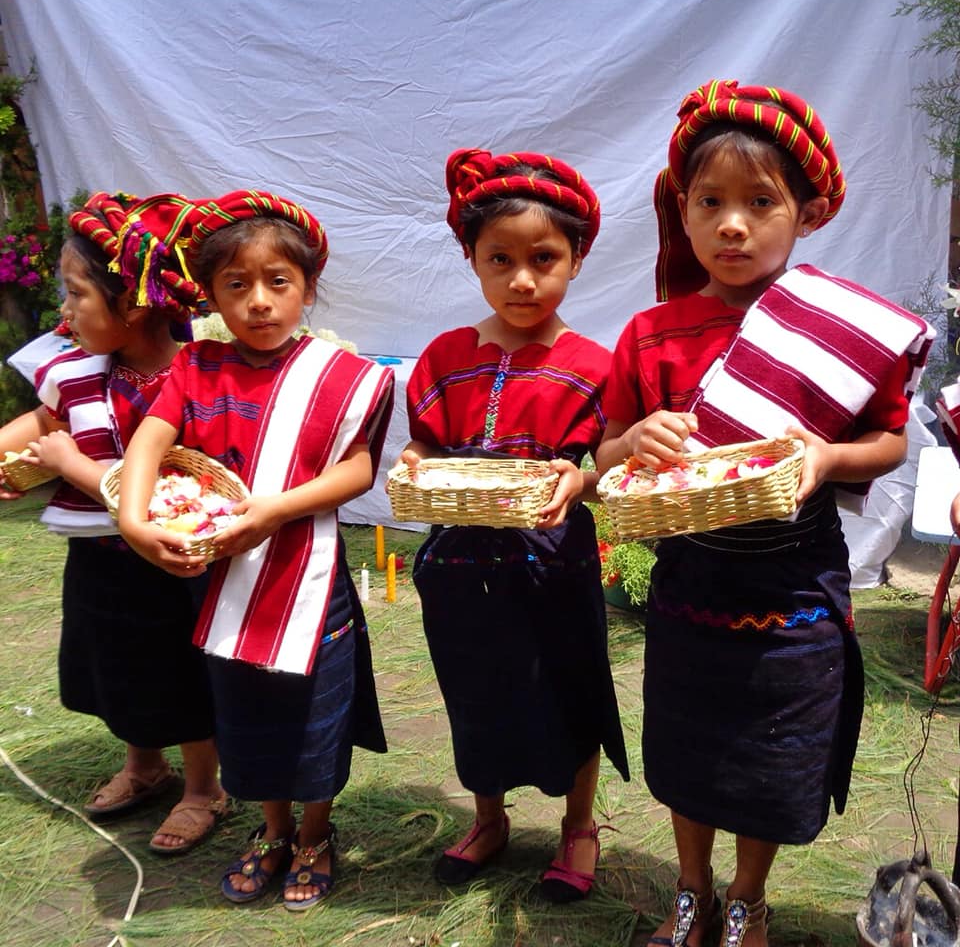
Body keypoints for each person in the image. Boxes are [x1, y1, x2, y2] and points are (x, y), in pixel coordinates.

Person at [597, 79, 933, 947]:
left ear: (808, 212)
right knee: (686, 744)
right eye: (709, 203)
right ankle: (692, 889)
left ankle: (747, 895)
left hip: (793, 586)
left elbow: (891, 442)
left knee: (773, 753)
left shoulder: (836, 328)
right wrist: (634, 439)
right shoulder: (650, 333)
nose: (732, 224)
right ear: (684, 211)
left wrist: (825, 457)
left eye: (759, 202)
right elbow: (600, 457)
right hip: (690, 581)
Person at [116, 189, 394, 911]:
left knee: (312, 714)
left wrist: (275, 510)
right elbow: (150, 438)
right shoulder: (198, 368)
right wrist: (132, 517)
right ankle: (271, 831)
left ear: (307, 287)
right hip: (224, 582)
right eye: (236, 286)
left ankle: (313, 834)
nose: (260, 302)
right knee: (244, 712)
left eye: (279, 282)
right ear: (210, 295)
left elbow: (358, 469)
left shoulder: (341, 377)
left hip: (308, 577)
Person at [400, 148, 629, 902]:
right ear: (472, 258)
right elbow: (428, 442)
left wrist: (586, 477)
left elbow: (607, 467)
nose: (522, 279)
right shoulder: (443, 358)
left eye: (544, 258)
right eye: (500, 258)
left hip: (555, 566)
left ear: (578, 257)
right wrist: (413, 460)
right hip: (460, 567)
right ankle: (489, 817)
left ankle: (578, 826)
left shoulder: (596, 366)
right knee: (475, 692)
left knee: (573, 689)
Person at [0, 191, 226, 854]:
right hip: (100, 554)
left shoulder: (198, 378)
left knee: (179, 674)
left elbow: (164, 482)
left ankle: (202, 786)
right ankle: (143, 766)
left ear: (131, 304)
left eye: (77, 295)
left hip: (170, 558)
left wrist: (70, 464)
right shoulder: (74, 375)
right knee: (116, 665)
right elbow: (37, 426)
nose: (65, 311)